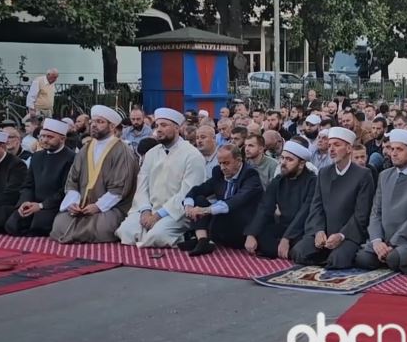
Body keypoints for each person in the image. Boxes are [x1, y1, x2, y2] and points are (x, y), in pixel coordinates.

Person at [115, 108, 206, 248]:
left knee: (157, 236)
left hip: (176, 212)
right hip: (149, 208)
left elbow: (188, 192)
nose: (159, 129)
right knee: (125, 231)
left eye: (164, 125)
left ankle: (180, 235)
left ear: (177, 128)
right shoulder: (152, 153)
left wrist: (158, 216)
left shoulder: (192, 155)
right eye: (157, 126)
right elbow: (142, 186)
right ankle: (148, 237)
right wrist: (145, 211)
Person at [353, 129, 407, 273]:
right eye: (392, 149)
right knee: (361, 258)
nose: (393, 153)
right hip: (383, 239)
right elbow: (376, 212)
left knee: (394, 259)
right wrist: (377, 241)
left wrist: (392, 243)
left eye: (399, 149)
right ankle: (381, 254)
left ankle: (387, 256)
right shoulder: (384, 175)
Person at [51, 106, 139, 243]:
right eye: (92, 122)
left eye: (100, 122)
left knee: (99, 228)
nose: (94, 125)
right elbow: (72, 180)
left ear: (112, 126)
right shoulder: (85, 149)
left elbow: (120, 188)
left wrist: (97, 206)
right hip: (83, 205)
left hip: (112, 207)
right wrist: (74, 203)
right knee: (59, 223)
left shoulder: (123, 151)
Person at [291, 127, 375, 269]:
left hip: (347, 235)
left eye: (337, 145)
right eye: (329, 145)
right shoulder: (324, 173)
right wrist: (318, 231)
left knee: (336, 261)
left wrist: (341, 236)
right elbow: (316, 207)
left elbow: (361, 215)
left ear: (349, 148)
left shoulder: (363, 175)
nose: (331, 149)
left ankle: (332, 256)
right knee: (298, 253)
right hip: (324, 233)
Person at [179, 145, 263, 256]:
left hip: (241, 226)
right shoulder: (218, 172)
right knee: (198, 199)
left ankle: (203, 240)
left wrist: (205, 210)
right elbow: (199, 190)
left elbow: (236, 201)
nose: (222, 167)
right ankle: (202, 240)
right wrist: (188, 206)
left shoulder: (250, 175)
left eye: (226, 163)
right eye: (220, 163)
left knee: (212, 208)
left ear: (238, 160)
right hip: (222, 222)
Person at [245, 141, 317, 259]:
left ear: (301, 164)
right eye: (282, 158)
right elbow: (265, 207)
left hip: (304, 228)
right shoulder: (279, 180)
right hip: (284, 226)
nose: (283, 163)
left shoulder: (313, 182)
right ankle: (287, 252)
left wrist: (287, 238)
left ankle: (290, 251)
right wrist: (251, 234)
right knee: (261, 236)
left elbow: (304, 213)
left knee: (304, 248)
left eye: (289, 159)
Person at [5, 119, 75, 236]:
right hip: (33, 203)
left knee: (39, 226)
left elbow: (66, 189)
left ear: (62, 139)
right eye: (42, 136)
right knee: (12, 224)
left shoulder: (71, 158)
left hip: (53, 205)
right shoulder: (37, 156)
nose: (44, 140)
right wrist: (25, 202)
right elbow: (28, 185)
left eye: (49, 137)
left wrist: (41, 206)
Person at [0, 130, 28, 231]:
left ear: (2, 146)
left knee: (2, 212)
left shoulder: (17, 165)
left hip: (5, 204)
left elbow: (12, 193)